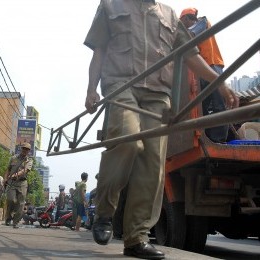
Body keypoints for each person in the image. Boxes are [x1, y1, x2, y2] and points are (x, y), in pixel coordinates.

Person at [84, 1, 238, 259]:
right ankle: (104, 212)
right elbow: (99, 51)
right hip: (122, 87)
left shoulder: (169, 15)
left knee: (153, 163)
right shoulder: (111, 5)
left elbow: (191, 54)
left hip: (157, 95)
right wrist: (91, 89)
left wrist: (219, 83)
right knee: (127, 141)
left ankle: (136, 238)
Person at [180, 7, 229, 143]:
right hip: (201, 70)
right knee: (204, 106)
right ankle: (209, 137)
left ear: (186, 18)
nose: (182, 27)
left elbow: (189, 36)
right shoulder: (192, 25)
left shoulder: (202, 21)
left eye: (182, 23)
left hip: (213, 65)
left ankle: (219, 139)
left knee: (219, 103)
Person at [4, 142, 33, 228]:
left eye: (27, 149)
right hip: (12, 183)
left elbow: (25, 171)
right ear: (21, 148)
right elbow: (8, 169)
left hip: (22, 183)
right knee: (11, 200)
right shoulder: (13, 158)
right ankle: (8, 219)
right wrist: (5, 179)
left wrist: (15, 175)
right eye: (24, 148)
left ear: (29, 151)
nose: (25, 150)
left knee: (21, 204)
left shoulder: (29, 160)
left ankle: (15, 222)